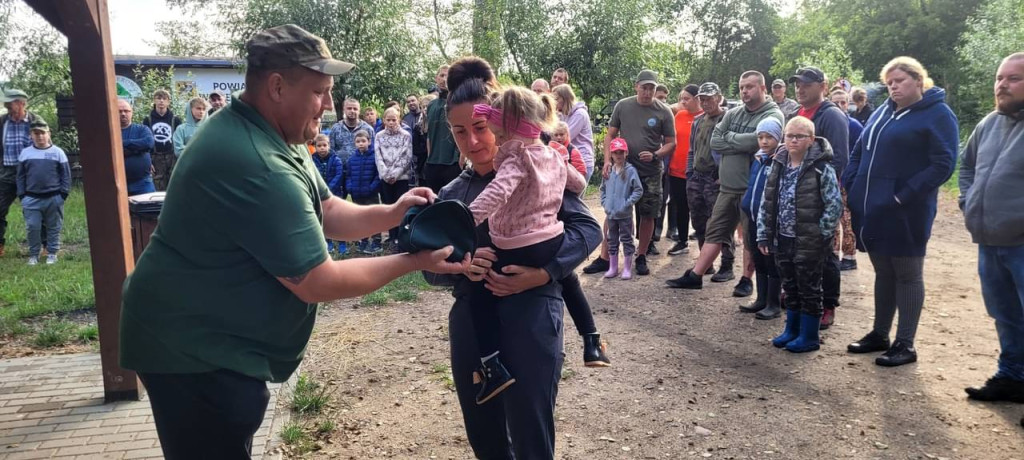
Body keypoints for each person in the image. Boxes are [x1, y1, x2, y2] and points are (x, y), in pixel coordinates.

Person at [119, 25, 468, 459]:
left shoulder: (281, 134)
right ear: (278, 86)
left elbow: (328, 210)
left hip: (212, 338)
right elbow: (317, 280)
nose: (330, 106)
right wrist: (413, 261)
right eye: (320, 92)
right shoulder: (256, 162)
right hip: (189, 348)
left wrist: (392, 212)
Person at [425, 56, 601, 459]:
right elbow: (427, 268)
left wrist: (544, 273)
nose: (472, 141)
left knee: (531, 430)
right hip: (473, 321)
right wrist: (461, 267)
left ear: (502, 122)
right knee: (484, 436)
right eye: (459, 131)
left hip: (535, 315)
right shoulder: (454, 193)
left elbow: (588, 231)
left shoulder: (539, 171)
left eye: (481, 128)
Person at [463, 85, 587, 404]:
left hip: (516, 245)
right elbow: (580, 183)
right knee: (570, 278)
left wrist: (464, 219)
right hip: (551, 241)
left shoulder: (516, 157)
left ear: (514, 133)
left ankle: (492, 367)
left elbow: (498, 192)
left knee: (480, 291)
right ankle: (592, 339)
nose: (497, 142)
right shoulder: (554, 156)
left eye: (499, 136)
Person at [844, 56, 958, 367]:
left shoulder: (937, 114)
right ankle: (880, 334)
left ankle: (905, 344)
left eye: (900, 80)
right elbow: (860, 148)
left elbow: (943, 164)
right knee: (884, 272)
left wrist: (902, 196)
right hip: (872, 208)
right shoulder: (883, 112)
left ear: (919, 81)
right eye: (889, 82)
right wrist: (851, 183)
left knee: (907, 275)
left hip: (907, 211)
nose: (894, 86)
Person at [666, 72, 784, 288]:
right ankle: (696, 276)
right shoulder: (735, 113)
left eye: (750, 86)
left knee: (750, 236)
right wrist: (740, 141)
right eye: (742, 87)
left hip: (752, 188)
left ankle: (746, 279)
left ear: (763, 88)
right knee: (715, 229)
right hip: (727, 187)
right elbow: (716, 141)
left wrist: (731, 139)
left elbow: (758, 143)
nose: (745, 91)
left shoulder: (772, 113)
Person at [959, 52, 1024, 403]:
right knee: (1005, 314)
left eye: (1013, 78)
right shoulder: (988, 124)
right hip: (990, 241)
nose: (1002, 84)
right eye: (1000, 78)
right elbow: (966, 167)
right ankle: (1013, 378)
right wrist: (967, 203)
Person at [757, 116, 842, 352]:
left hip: (809, 240)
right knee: (790, 285)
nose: (793, 140)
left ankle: (809, 335)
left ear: (811, 139)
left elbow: (833, 205)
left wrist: (820, 234)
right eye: (789, 136)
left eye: (799, 136)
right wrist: (764, 233)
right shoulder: (778, 164)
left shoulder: (821, 168)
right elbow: (767, 200)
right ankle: (791, 329)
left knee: (810, 288)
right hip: (782, 237)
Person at [597, 70, 676, 277]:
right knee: (613, 211)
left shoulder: (664, 111)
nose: (648, 92)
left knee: (648, 213)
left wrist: (656, 154)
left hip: (650, 171)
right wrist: (607, 161)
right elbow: (610, 135)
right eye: (644, 87)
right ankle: (605, 257)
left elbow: (671, 143)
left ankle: (641, 256)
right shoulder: (623, 106)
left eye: (652, 88)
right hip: (622, 170)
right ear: (636, 86)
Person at [788, 66, 850, 330]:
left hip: (821, 197)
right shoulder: (796, 114)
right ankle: (804, 299)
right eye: (797, 84)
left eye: (807, 84)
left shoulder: (832, 116)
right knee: (800, 250)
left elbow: (839, 160)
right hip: (795, 195)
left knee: (825, 251)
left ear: (822, 86)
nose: (800, 89)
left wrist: (824, 196)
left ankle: (828, 305)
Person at [740, 118, 783, 319]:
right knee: (759, 259)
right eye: (760, 137)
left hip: (769, 221)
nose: (764, 141)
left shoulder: (780, 160)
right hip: (753, 218)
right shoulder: (758, 158)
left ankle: (773, 303)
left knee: (772, 261)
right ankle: (761, 298)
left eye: (769, 137)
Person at [16, 119, 70, 265]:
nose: (40, 136)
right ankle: (34, 254)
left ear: (49, 134)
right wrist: (22, 195)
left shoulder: (58, 152)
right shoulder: (25, 153)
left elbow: (65, 175)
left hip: (54, 197)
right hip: (31, 198)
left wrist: (63, 194)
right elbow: (20, 176)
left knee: (54, 226)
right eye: (36, 133)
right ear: (31, 135)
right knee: (33, 227)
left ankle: (52, 253)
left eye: (43, 133)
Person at [0, 89, 42, 257]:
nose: (7, 105)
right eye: (6, 103)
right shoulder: (2, 121)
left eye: (11, 102)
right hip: (6, 173)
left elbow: (45, 144)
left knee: (35, 210)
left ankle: (44, 246)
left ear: (22, 103)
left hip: (30, 173)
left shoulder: (35, 121)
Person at [829, 88, 864, 272]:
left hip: (848, 180)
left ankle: (850, 257)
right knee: (831, 219)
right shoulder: (829, 123)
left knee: (847, 219)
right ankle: (833, 254)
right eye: (836, 102)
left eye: (843, 102)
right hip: (830, 179)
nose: (841, 106)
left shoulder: (855, 126)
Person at [666, 84, 701, 256]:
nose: (683, 102)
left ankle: (704, 243)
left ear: (697, 98)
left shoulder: (704, 117)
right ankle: (682, 240)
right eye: (681, 99)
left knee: (698, 208)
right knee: (680, 206)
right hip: (676, 169)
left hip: (696, 172)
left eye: (686, 98)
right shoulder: (679, 116)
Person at [601, 137, 644, 279]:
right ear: (611, 154)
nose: (618, 155)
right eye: (615, 153)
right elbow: (603, 189)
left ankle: (626, 268)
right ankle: (613, 267)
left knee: (627, 239)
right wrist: (605, 202)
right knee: (611, 239)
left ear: (626, 153)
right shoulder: (608, 171)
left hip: (624, 215)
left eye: (621, 152)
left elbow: (638, 190)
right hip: (611, 214)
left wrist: (627, 203)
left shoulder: (631, 171)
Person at [375, 107, 413, 248]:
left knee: (401, 207)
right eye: (388, 120)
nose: (391, 122)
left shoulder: (405, 136)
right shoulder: (378, 136)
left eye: (394, 119)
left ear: (399, 120)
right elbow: (378, 156)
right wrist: (385, 174)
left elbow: (406, 157)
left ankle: (401, 237)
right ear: (384, 120)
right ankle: (392, 236)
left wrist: (395, 174)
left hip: (401, 178)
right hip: (385, 178)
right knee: (389, 207)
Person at [424, 64, 463, 193]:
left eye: (448, 76)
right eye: (441, 75)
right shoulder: (431, 105)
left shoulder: (459, 103)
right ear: (436, 78)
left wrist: (461, 157)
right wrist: (429, 158)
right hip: (433, 163)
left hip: (452, 163)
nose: (444, 79)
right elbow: (429, 134)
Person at [346, 130, 383, 253]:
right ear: (354, 143)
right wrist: (350, 188)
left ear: (369, 142)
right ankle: (364, 240)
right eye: (358, 141)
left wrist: (371, 188)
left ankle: (377, 242)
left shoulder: (375, 157)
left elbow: (378, 176)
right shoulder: (352, 159)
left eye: (363, 141)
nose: (361, 144)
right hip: (357, 194)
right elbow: (348, 176)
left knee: (374, 217)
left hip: (370, 194)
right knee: (360, 218)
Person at [552, 84, 595, 180]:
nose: (553, 102)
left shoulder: (580, 114)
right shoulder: (563, 115)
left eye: (556, 99)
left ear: (565, 98)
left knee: (575, 195)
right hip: (570, 160)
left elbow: (565, 137)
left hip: (582, 161)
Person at [311, 133, 345, 255]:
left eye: (324, 145)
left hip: (334, 193)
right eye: (319, 145)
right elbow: (311, 175)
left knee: (338, 219)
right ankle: (327, 241)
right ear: (315, 146)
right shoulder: (311, 160)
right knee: (323, 219)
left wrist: (328, 188)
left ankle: (342, 242)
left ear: (329, 145)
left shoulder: (336, 159)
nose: (322, 148)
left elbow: (339, 174)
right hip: (319, 195)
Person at [143, 89, 183, 191]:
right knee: (158, 187)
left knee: (175, 185)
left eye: (164, 99)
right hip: (155, 157)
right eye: (159, 98)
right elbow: (145, 142)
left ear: (168, 101)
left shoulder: (176, 119)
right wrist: (148, 161)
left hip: (172, 156)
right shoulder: (148, 120)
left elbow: (180, 140)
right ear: (154, 100)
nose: (161, 101)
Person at [117, 99, 157, 195]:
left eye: (126, 111)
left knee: (149, 209)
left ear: (132, 112)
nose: (123, 114)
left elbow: (148, 143)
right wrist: (137, 150)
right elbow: (109, 151)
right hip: (117, 184)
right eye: (119, 111)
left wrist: (122, 144)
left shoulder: (142, 129)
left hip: (143, 183)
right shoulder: (110, 132)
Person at [329, 97, 374, 167]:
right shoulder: (335, 128)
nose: (352, 111)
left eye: (355, 109)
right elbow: (330, 150)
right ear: (344, 110)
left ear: (359, 111)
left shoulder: (368, 129)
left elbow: (372, 150)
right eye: (349, 108)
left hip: (361, 170)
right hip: (340, 170)